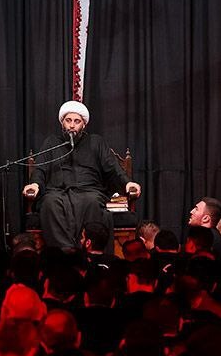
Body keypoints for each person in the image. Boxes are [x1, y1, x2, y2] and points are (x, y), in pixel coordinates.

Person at [23, 101, 141, 251]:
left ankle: (84, 250)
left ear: (83, 124)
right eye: (68, 120)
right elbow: (40, 169)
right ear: (62, 123)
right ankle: (66, 250)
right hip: (57, 192)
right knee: (49, 203)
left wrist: (127, 183)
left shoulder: (96, 142)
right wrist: (34, 184)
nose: (72, 125)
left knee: (91, 201)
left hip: (90, 190)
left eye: (76, 121)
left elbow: (113, 168)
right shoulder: (52, 142)